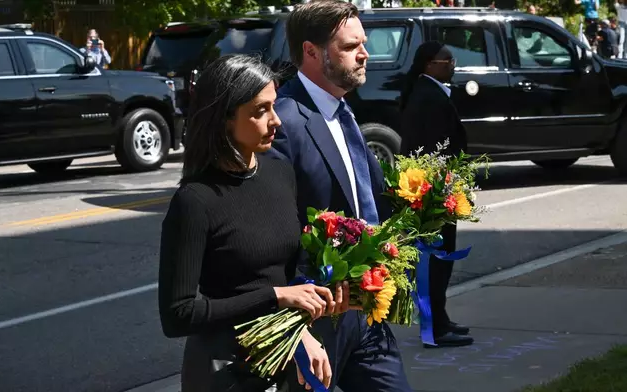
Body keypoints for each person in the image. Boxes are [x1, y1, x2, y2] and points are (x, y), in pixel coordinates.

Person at [158, 54, 337, 392]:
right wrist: (276, 297)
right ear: (224, 119)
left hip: (284, 356)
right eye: (260, 111)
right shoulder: (195, 201)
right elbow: (177, 315)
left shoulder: (280, 171)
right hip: (225, 370)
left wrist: (304, 328)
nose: (277, 122)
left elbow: (287, 276)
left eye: (275, 106)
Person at [265, 1, 412, 391]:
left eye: (362, 43)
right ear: (312, 51)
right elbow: (274, 230)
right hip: (315, 318)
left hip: (364, 312)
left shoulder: (343, 113)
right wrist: (295, 330)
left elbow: (364, 200)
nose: (365, 53)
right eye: (350, 47)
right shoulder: (284, 121)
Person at [399, 41, 472, 348]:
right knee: (436, 261)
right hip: (432, 193)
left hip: (439, 189)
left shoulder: (431, 91)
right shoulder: (427, 96)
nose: (453, 64)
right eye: (447, 60)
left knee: (441, 260)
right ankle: (435, 328)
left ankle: (440, 318)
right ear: (430, 64)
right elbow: (431, 149)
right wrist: (442, 187)